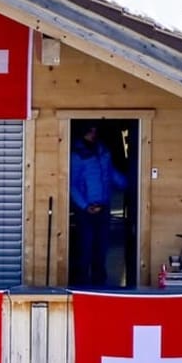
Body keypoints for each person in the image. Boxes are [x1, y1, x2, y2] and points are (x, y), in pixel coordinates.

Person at [70, 123, 127, 287]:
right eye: (90, 131)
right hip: (86, 210)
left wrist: (130, 184)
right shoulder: (77, 155)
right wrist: (84, 206)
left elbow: (111, 174)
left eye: (95, 131)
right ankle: (81, 285)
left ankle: (99, 285)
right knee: (85, 249)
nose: (93, 134)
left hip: (104, 206)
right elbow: (71, 184)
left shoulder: (103, 151)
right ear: (83, 132)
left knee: (101, 249)